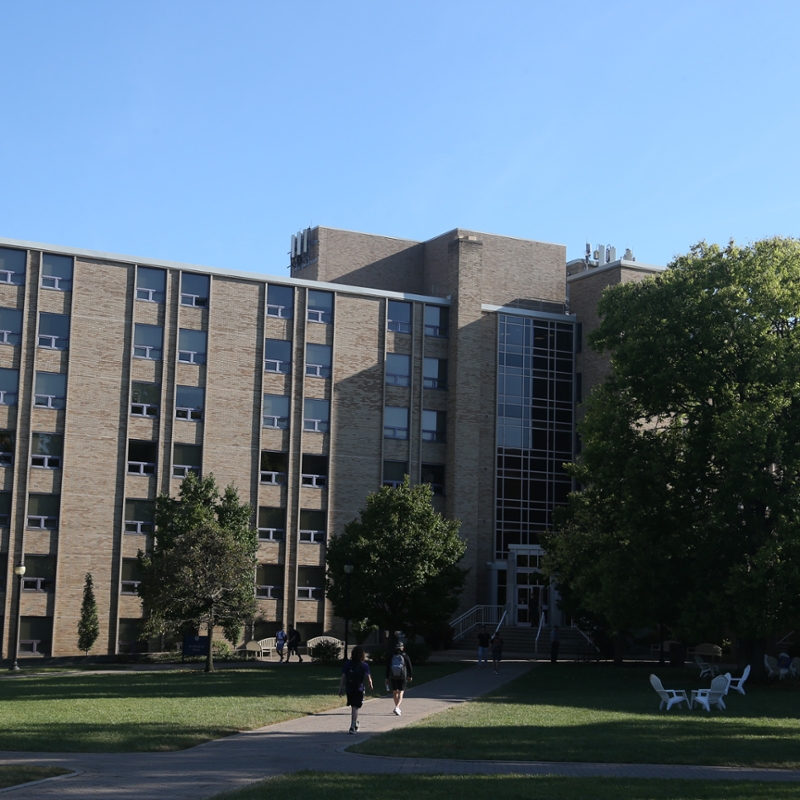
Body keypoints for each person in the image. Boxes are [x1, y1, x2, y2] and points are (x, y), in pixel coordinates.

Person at [339, 645, 373, 733]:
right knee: (355, 707)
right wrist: (370, 685)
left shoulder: (348, 664)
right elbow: (368, 677)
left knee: (353, 706)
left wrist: (340, 688)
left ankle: (354, 723)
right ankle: (353, 725)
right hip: (359, 688)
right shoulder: (364, 665)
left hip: (349, 688)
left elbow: (343, 677)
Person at [385, 641, 413, 715]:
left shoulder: (392, 656)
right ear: (402, 648)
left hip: (393, 676)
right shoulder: (405, 656)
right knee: (401, 692)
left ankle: (397, 707)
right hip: (402, 676)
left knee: (395, 692)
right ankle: (397, 707)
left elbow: (388, 667)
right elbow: (410, 667)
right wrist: (410, 676)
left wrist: (386, 677)